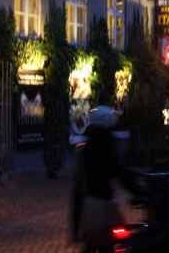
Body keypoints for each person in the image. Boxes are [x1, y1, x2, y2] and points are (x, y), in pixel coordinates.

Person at [71, 106, 141, 251]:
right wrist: (136, 188)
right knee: (109, 240)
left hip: (89, 200)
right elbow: (114, 170)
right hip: (102, 201)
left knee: (95, 243)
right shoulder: (105, 142)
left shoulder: (88, 144)